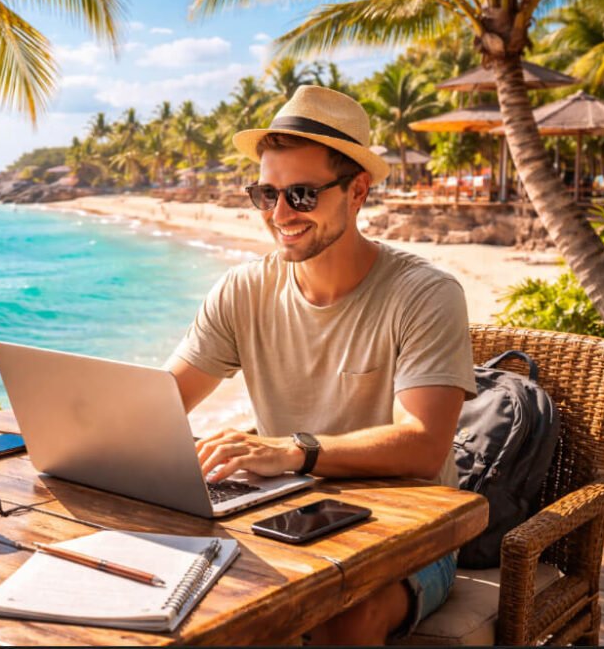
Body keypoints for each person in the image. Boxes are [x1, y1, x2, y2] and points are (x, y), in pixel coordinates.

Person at [166, 86, 477, 645]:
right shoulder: (243, 290)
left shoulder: (425, 294)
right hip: (288, 514)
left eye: (302, 194)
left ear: (357, 191)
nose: (279, 214)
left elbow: (425, 444)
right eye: (266, 194)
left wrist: (291, 450)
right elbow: (162, 402)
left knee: (343, 618)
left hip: (411, 532)